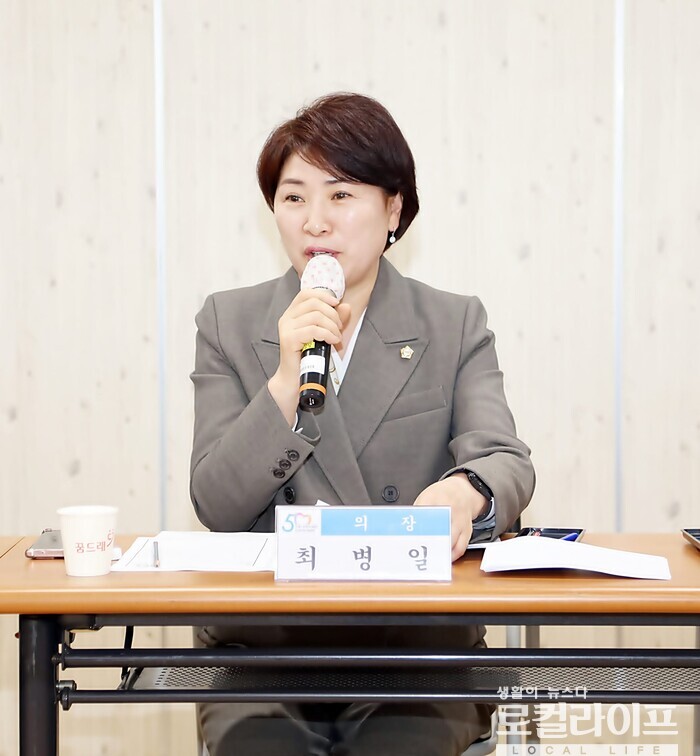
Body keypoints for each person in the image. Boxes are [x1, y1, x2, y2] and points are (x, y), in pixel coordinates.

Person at [190, 92, 535, 756]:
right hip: (262, 652)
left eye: (341, 195)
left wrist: (464, 491)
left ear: (393, 209)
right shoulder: (228, 323)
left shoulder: (453, 322)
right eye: (293, 198)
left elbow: (503, 458)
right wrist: (284, 383)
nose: (315, 221)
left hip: (417, 650)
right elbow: (216, 503)